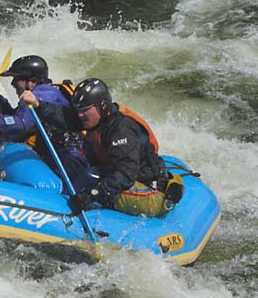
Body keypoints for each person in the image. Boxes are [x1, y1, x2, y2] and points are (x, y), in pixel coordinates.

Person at [23, 78, 181, 218]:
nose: (80, 115)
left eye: (85, 110)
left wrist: (92, 195)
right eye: (78, 110)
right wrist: (37, 104)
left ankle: (65, 211)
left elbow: (126, 174)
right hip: (121, 175)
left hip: (147, 190)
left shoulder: (121, 130)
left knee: (92, 177)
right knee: (76, 165)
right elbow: (66, 116)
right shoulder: (94, 118)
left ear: (103, 105)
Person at [0, 55, 85, 179]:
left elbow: (19, 124)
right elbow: (16, 119)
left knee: (3, 142)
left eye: (17, 78)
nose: (13, 83)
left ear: (32, 81)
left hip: (66, 161)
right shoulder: (42, 91)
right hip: (56, 153)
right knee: (3, 138)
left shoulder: (42, 94)